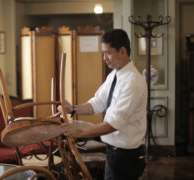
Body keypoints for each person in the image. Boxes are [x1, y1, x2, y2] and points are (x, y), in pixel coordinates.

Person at [59, 29, 147, 180]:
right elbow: (98, 102)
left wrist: (79, 132)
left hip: (126, 156)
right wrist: (73, 108)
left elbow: (113, 124)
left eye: (108, 53)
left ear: (123, 51)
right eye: (103, 53)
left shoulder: (133, 82)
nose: (104, 58)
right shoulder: (114, 74)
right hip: (114, 152)